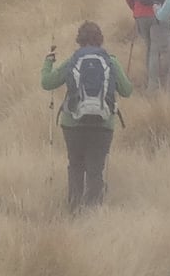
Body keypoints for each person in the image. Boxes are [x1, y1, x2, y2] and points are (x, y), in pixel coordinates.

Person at [41, 21, 132, 211]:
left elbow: (47, 83)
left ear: (79, 40)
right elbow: (127, 90)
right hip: (103, 124)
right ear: (100, 39)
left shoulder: (73, 60)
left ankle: (74, 210)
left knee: (75, 165)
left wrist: (48, 62)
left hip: (73, 123)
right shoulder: (111, 61)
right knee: (95, 169)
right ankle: (92, 214)